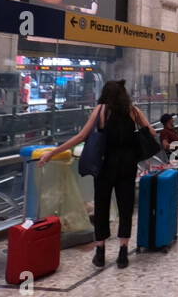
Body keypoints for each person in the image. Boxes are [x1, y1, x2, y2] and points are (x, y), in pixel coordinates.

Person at [38, 80, 153, 270]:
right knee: (125, 208)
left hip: (105, 165)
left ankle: (100, 253)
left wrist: (52, 153)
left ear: (105, 93)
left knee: (102, 206)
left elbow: (81, 136)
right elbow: (151, 131)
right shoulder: (133, 111)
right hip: (127, 165)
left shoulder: (101, 111)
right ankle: (123, 253)